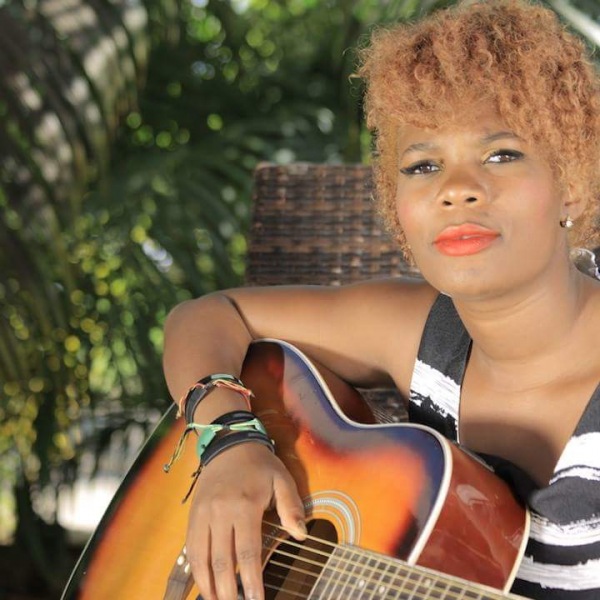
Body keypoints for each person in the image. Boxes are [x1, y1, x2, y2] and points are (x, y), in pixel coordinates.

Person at [162, 0, 600, 598]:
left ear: (572, 185)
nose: (457, 190)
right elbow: (208, 316)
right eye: (422, 165)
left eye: (501, 154)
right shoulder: (416, 332)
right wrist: (229, 443)